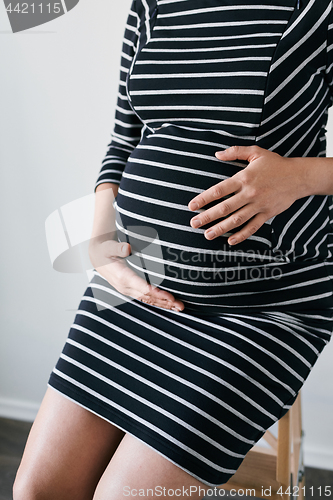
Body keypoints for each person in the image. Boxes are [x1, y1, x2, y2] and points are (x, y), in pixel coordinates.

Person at [13, 1, 333, 499]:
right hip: (135, 285)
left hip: (259, 303)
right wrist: (101, 246)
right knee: (38, 491)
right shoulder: (152, 4)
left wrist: (301, 176)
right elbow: (126, 136)